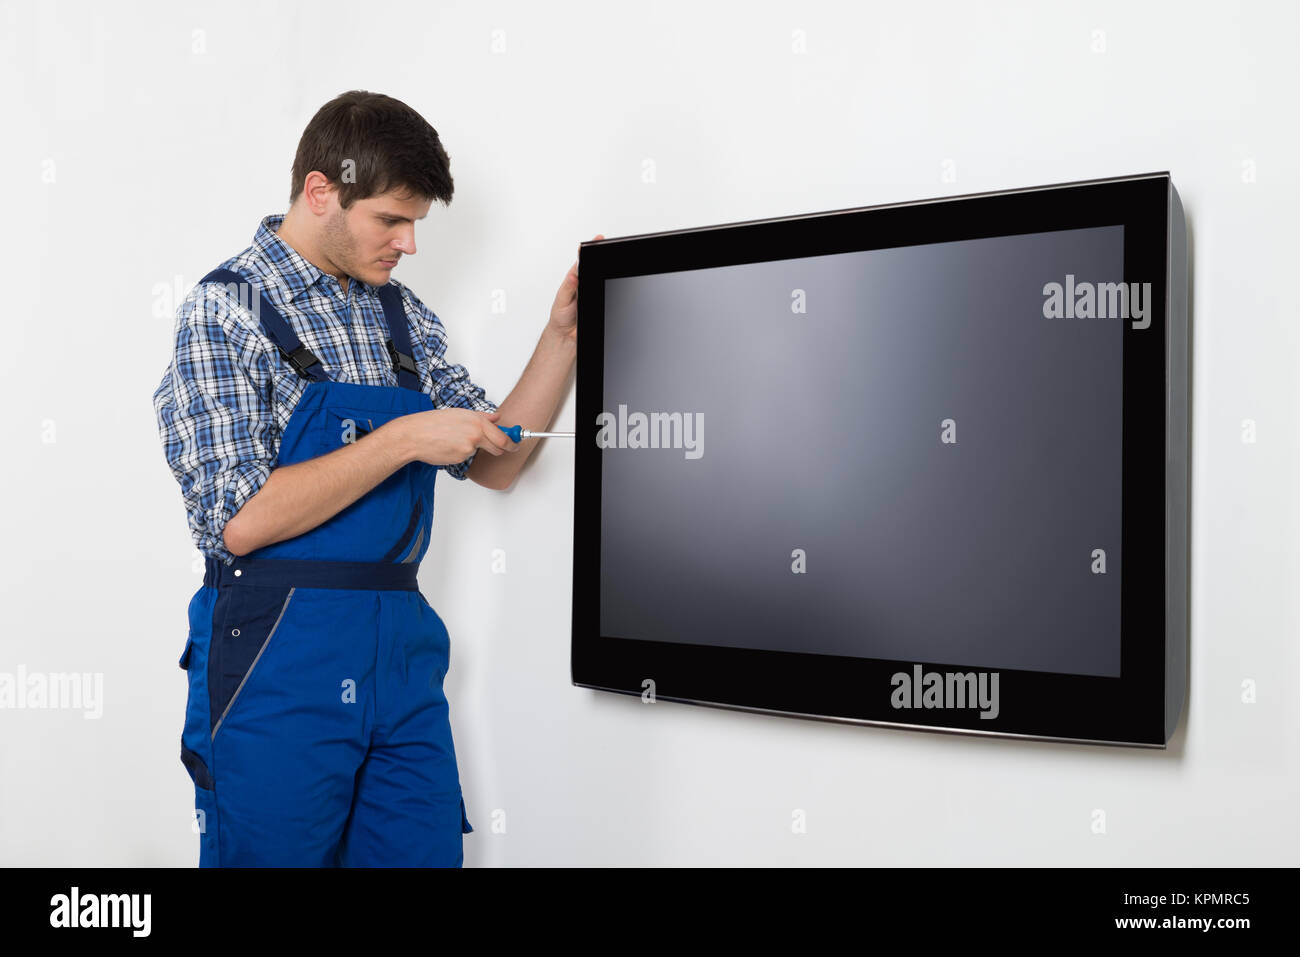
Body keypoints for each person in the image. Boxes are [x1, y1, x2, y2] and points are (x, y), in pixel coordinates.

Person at [152, 89, 600, 867]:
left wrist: (561, 339)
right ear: (321, 191)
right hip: (275, 666)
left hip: (401, 664)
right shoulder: (223, 315)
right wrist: (399, 437)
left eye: (416, 223)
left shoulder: (401, 316)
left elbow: (494, 461)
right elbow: (238, 521)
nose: (409, 243)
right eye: (391, 219)